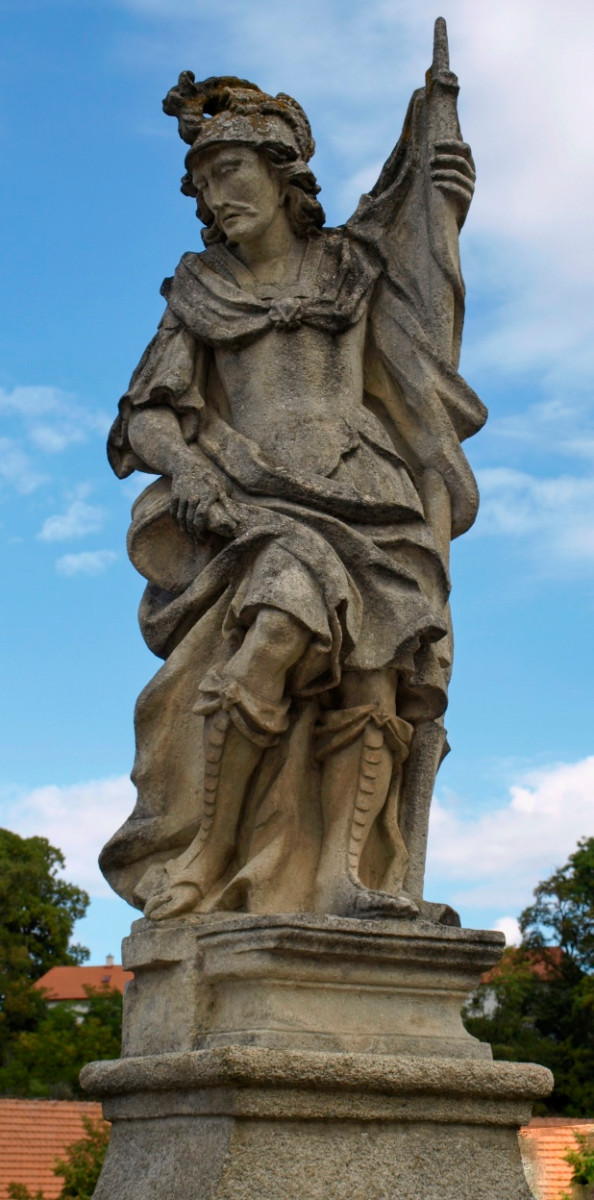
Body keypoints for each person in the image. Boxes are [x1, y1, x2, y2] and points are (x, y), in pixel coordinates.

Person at [100, 66, 485, 922]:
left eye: (231, 170)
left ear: (282, 175)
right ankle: (207, 854)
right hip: (257, 500)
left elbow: (421, 316)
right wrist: (190, 469)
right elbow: (147, 414)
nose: (217, 194)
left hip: (369, 491)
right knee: (279, 625)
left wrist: (444, 200)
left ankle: (346, 878)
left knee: (375, 678)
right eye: (204, 182)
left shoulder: (350, 266)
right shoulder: (200, 288)